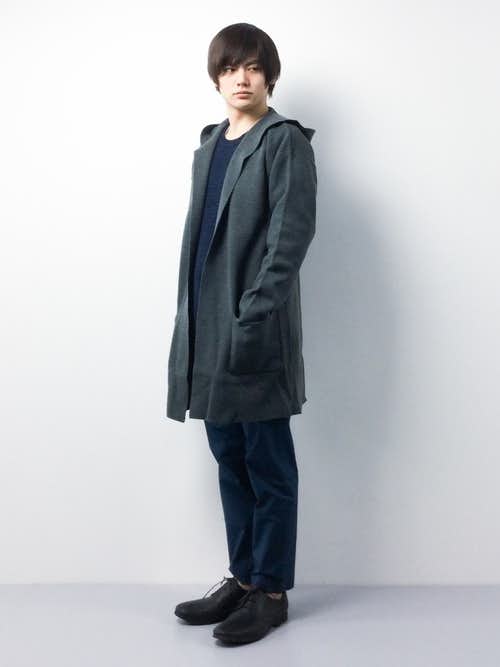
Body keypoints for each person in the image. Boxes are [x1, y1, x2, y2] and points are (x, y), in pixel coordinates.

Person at [168, 22, 317, 644]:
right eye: (231, 68)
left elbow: (289, 240)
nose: (242, 78)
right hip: (206, 330)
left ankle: (271, 591)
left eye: (254, 67)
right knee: (229, 459)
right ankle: (244, 576)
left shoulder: (284, 142)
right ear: (217, 78)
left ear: (269, 76)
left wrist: (252, 313)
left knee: (267, 462)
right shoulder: (210, 144)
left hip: (253, 327)